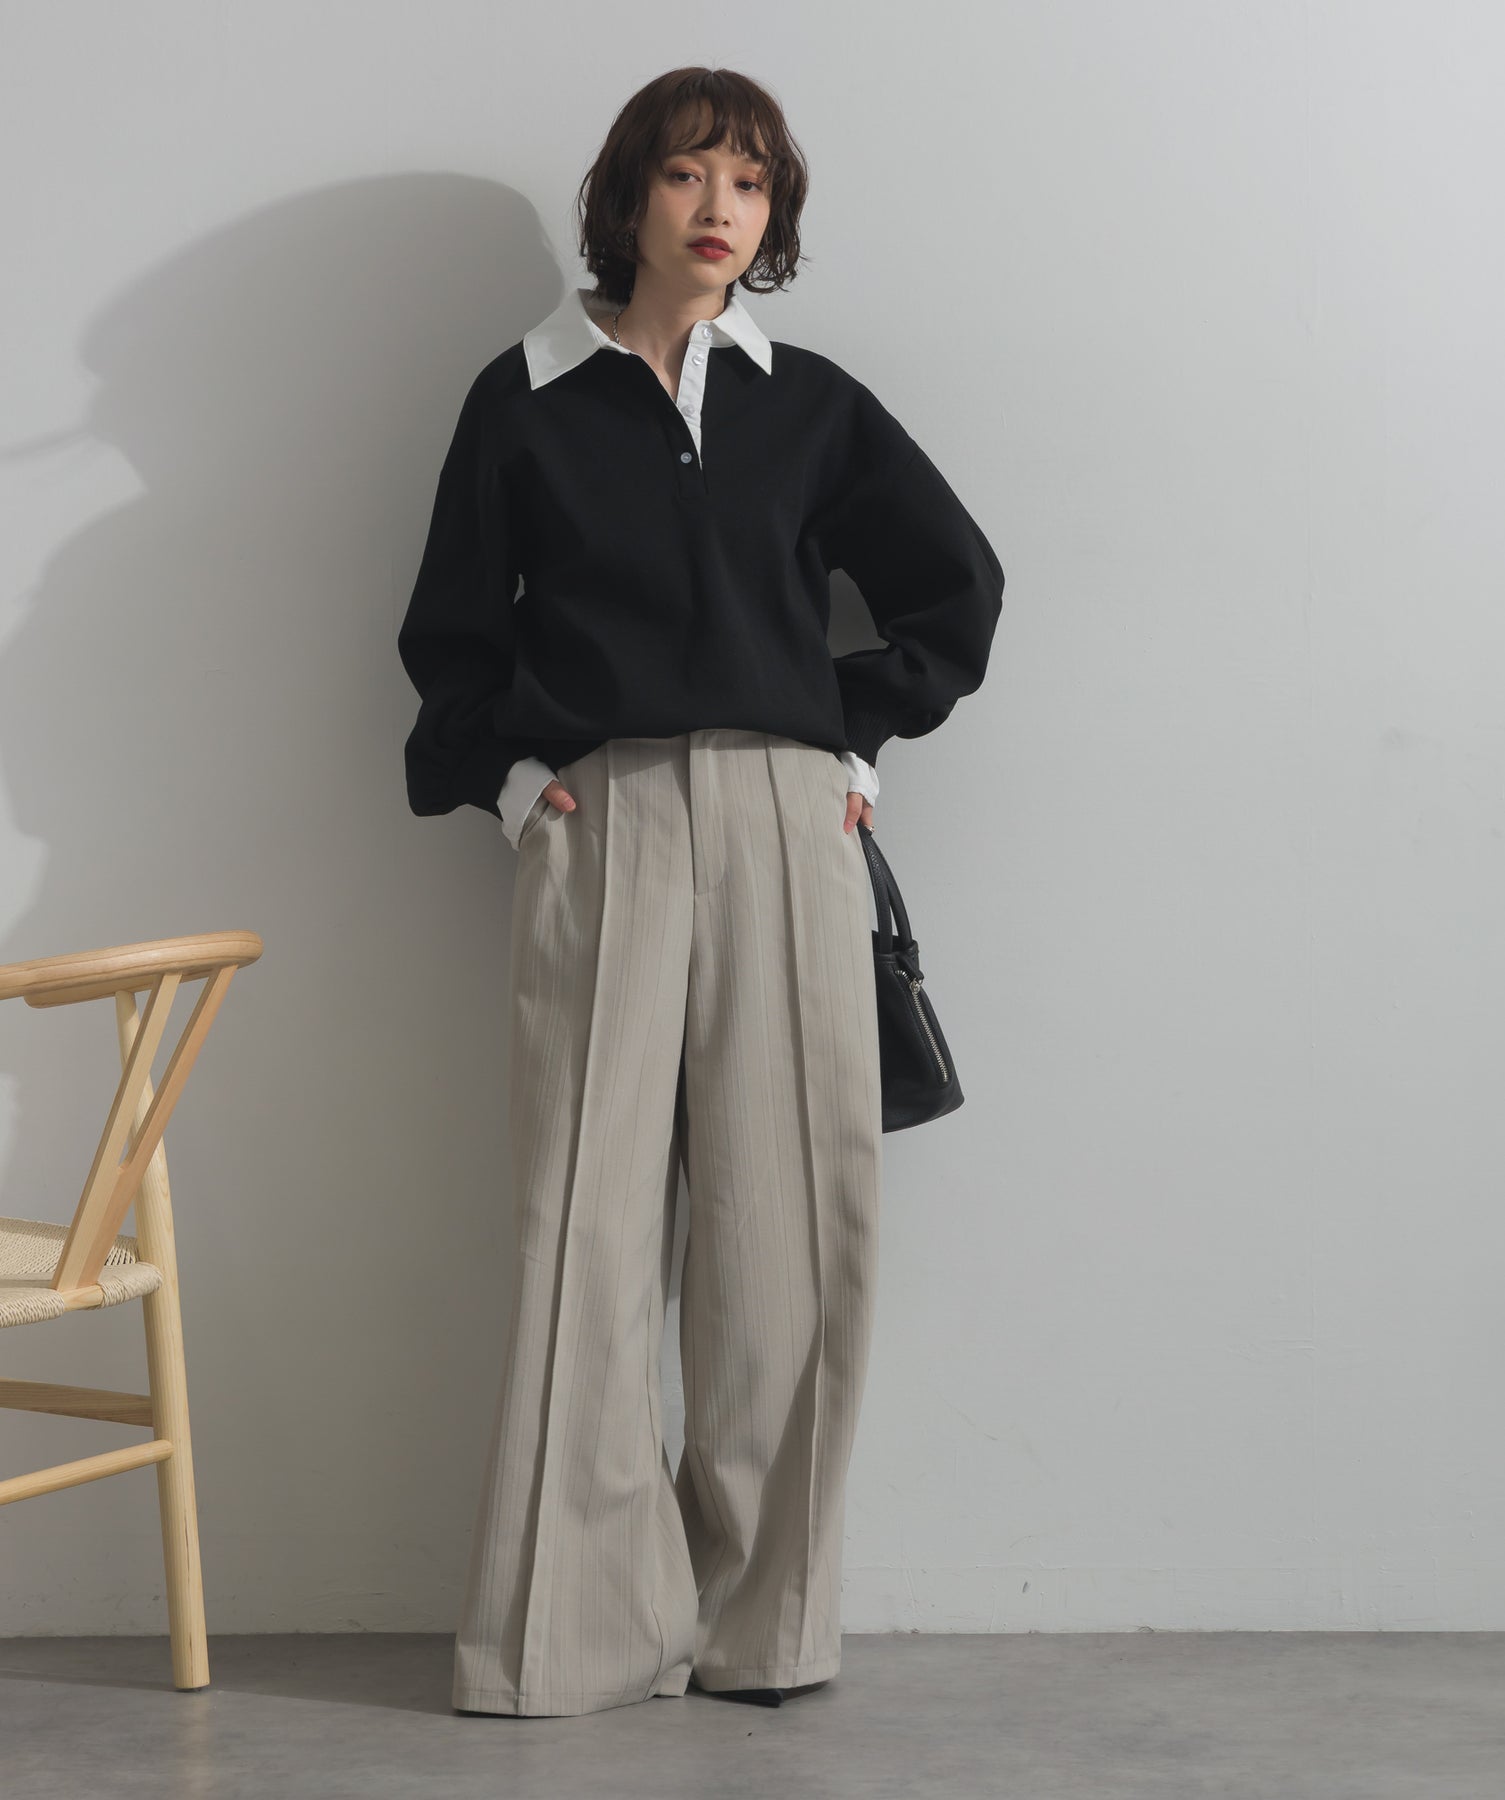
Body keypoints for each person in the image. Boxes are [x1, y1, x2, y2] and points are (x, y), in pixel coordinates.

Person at [397, 65, 1004, 1719]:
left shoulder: (810, 406)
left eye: (748, 180)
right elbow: (451, 635)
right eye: (686, 174)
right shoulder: (523, 400)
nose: (720, 206)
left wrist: (848, 742)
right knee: (582, 1234)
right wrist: (516, 788)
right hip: (601, 820)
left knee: (785, 1230)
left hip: (787, 829)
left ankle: (760, 1626)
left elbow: (955, 587)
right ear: (629, 197)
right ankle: (570, 1638)